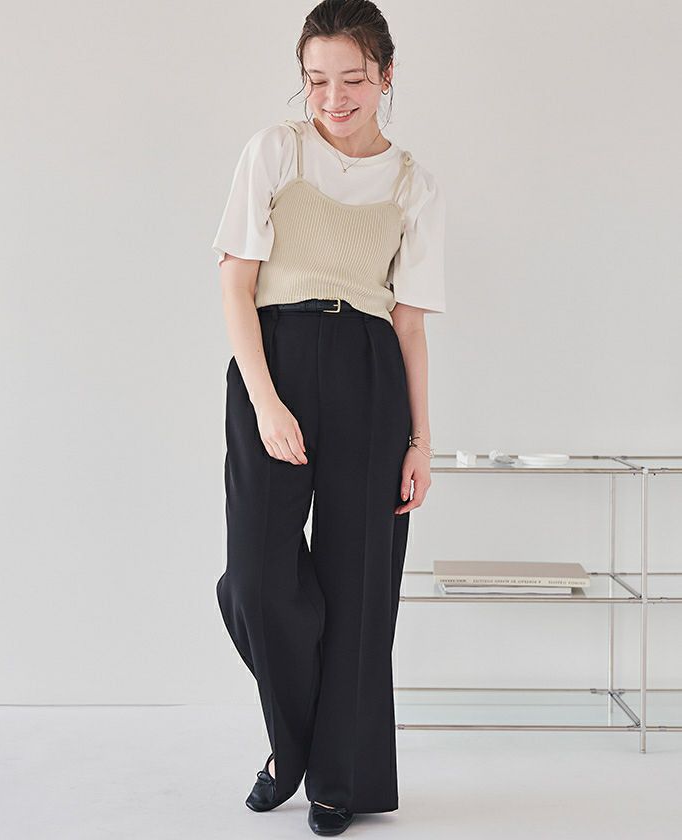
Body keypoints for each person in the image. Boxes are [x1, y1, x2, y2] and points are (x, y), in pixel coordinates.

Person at [211, 1, 445, 834]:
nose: (334, 98)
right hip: (274, 358)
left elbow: (409, 325)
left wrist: (421, 441)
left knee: (359, 583)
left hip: (371, 373)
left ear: (386, 75)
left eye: (353, 79)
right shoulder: (275, 150)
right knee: (255, 580)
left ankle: (338, 779)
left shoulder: (414, 183)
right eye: (316, 80)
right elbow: (236, 284)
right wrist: (266, 400)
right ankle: (294, 746)